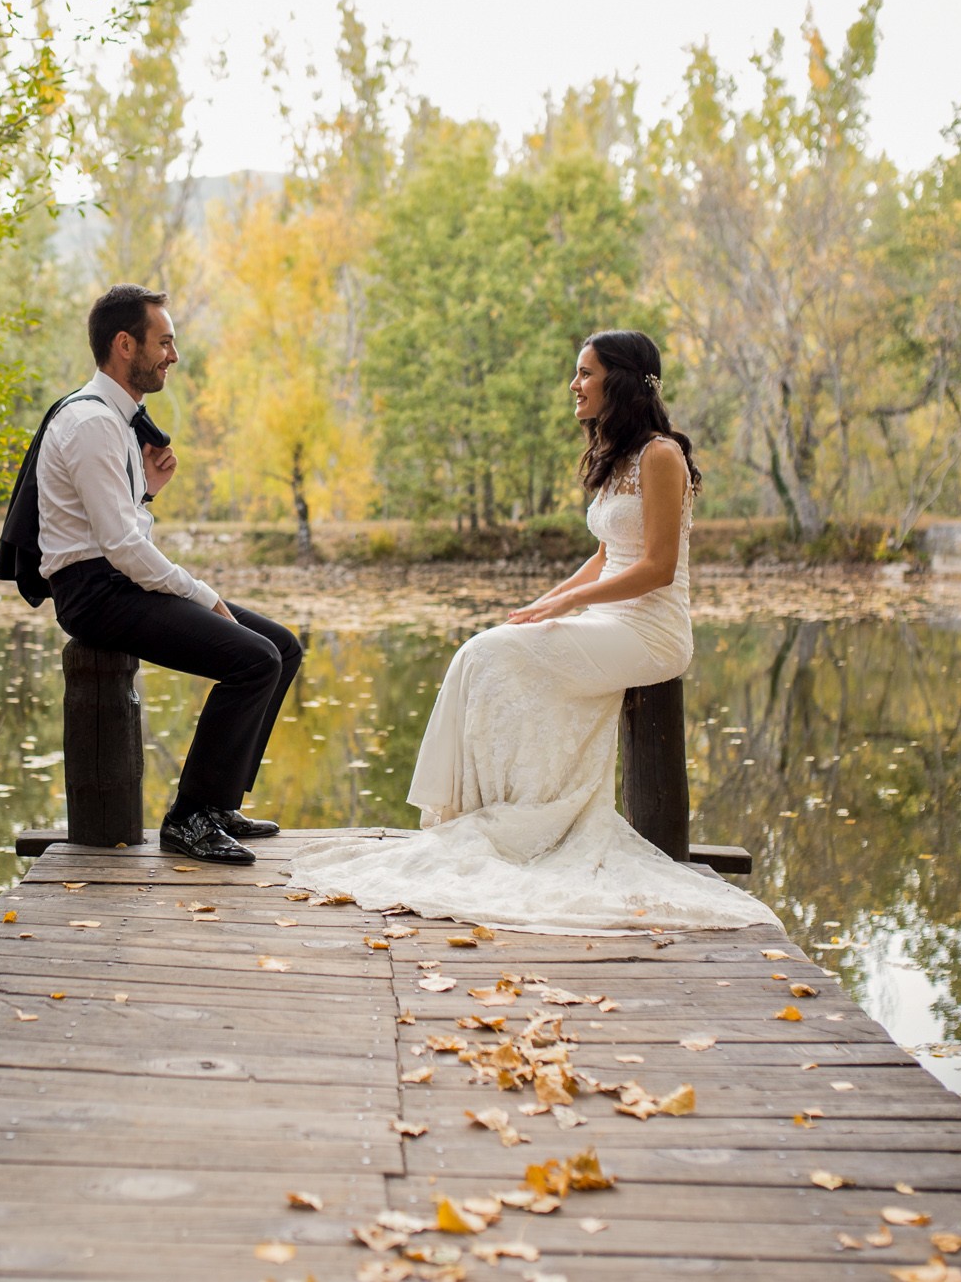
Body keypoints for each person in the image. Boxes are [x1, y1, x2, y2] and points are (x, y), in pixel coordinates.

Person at [287, 331, 777, 933]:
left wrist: (569, 603)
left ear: (621, 380)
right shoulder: (618, 456)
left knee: (490, 653)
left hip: (652, 631)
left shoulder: (661, 455)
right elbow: (607, 556)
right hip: (608, 618)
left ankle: (524, 815)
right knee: (485, 650)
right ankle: (489, 809)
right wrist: (545, 603)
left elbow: (657, 567)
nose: (574, 385)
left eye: (585, 373)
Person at [0, 285, 302, 866]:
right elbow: (121, 547)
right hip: (94, 593)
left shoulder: (114, 420)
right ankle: (188, 819)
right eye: (164, 343)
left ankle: (218, 805)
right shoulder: (91, 422)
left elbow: (117, 528)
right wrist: (204, 595)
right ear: (125, 344)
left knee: (281, 647)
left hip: (117, 580)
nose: (173, 356)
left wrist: (147, 491)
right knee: (254, 660)